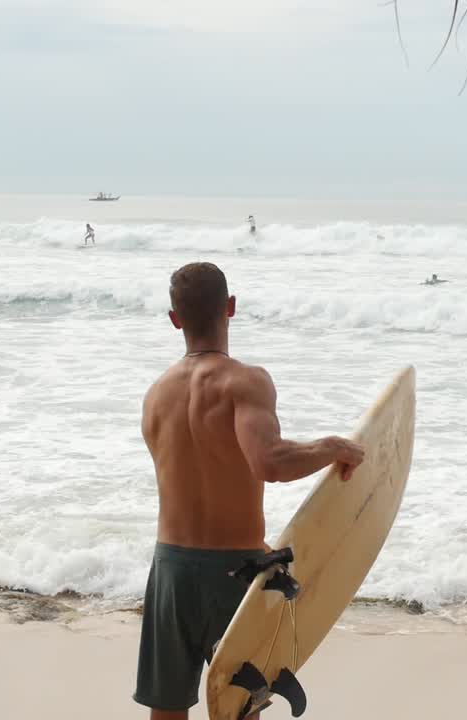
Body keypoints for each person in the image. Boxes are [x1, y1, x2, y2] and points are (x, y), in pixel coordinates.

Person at [134, 262, 365, 719]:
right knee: (239, 708)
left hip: (171, 572)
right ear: (231, 307)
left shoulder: (156, 394)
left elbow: (199, 473)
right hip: (232, 575)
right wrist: (329, 447)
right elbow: (270, 462)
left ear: (175, 319)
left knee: (166, 710)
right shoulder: (245, 381)